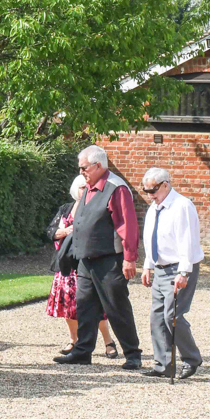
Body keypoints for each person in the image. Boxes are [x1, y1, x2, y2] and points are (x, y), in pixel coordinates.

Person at [54, 146, 144, 369]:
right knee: (85, 306)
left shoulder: (116, 188)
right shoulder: (89, 187)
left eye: (84, 168)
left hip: (109, 259)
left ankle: (133, 353)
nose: (81, 172)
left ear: (98, 165)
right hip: (86, 258)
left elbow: (127, 226)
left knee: (117, 307)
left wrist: (129, 258)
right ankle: (83, 351)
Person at [140, 167, 204, 380]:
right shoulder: (154, 207)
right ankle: (164, 364)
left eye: (153, 190)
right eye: (146, 191)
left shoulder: (182, 205)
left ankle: (191, 359)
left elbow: (187, 240)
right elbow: (150, 237)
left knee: (172, 316)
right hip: (160, 268)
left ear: (165, 185)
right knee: (157, 316)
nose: (150, 195)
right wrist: (148, 265)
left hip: (178, 267)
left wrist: (184, 272)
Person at [46, 176, 119, 357]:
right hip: (66, 265)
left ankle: (108, 341)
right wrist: (65, 231)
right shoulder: (66, 209)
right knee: (68, 307)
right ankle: (74, 340)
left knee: (96, 306)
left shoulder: (95, 209)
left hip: (86, 264)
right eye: (80, 187)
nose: (83, 190)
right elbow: (50, 232)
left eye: (86, 187)